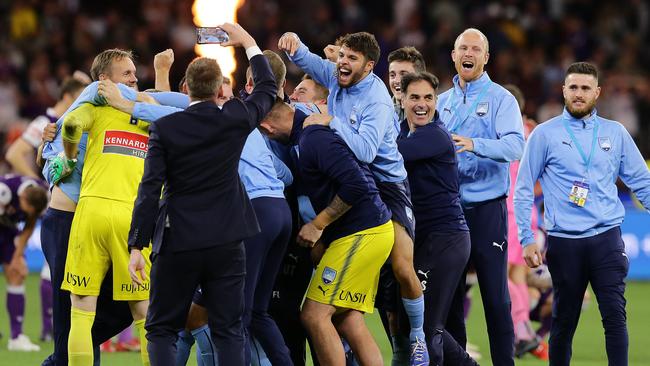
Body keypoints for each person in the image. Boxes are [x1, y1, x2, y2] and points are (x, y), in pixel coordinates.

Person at [127, 22, 276, 366]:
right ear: (216, 90)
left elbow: (150, 188)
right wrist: (249, 42)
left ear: (188, 89)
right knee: (228, 329)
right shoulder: (233, 119)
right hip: (227, 241)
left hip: (177, 239)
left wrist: (137, 245)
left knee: (162, 329)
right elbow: (267, 88)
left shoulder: (165, 128)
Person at [278, 30, 428, 365]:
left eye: (351, 59)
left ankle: (417, 336)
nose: (343, 63)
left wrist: (333, 122)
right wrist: (295, 43)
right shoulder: (336, 75)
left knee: (402, 264)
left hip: (386, 183)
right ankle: (352, 349)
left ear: (369, 66)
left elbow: (365, 150)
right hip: (354, 185)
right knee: (344, 308)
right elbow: (312, 63)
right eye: (342, 56)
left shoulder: (375, 99)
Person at [39, 48, 177, 366]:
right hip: (67, 219)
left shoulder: (126, 108)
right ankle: (63, 358)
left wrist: (161, 72)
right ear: (104, 80)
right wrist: (54, 147)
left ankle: (62, 360)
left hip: (92, 215)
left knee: (104, 312)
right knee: (72, 314)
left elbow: (161, 110)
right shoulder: (94, 98)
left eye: (134, 73)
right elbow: (61, 144)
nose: (133, 79)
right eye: (126, 73)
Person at [515, 61, 650, 366]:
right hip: (564, 242)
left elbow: (642, 182)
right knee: (564, 322)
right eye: (573, 87)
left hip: (606, 240)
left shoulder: (615, 133)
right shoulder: (544, 135)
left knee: (615, 318)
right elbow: (523, 188)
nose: (578, 93)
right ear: (563, 90)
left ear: (597, 93)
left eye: (585, 88)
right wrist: (526, 237)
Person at [259, 99, 394, 366]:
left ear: (267, 127)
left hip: (362, 232)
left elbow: (356, 186)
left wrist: (318, 225)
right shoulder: (307, 137)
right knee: (348, 318)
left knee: (313, 315)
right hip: (368, 231)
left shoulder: (313, 138)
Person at [436, 28, 524, 366]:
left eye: (476, 48)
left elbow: (516, 146)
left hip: (487, 210)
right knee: (451, 296)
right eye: (462, 48)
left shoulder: (502, 99)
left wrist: (475, 144)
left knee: (495, 297)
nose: (468, 53)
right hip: (449, 211)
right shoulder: (440, 102)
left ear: (486, 58)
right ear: (454, 56)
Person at [396, 72, 477, 366]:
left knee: (426, 329)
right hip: (430, 239)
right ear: (401, 99)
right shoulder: (408, 133)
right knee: (422, 325)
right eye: (414, 97)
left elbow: (387, 156)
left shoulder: (434, 135)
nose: (422, 104)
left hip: (445, 239)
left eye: (428, 98)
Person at [0, 175, 48, 351]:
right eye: (27, 208)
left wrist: (16, 256)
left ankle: (16, 337)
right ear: (22, 198)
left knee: (17, 273)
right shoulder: (4, 192)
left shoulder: (39, 194)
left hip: (8, 231)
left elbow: (29, 224)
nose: (27, 212)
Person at [388, 46, 426, 123]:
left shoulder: (439, 110)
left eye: (403, 75)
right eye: (392, 75)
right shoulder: (380, 111)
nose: (396, 80)